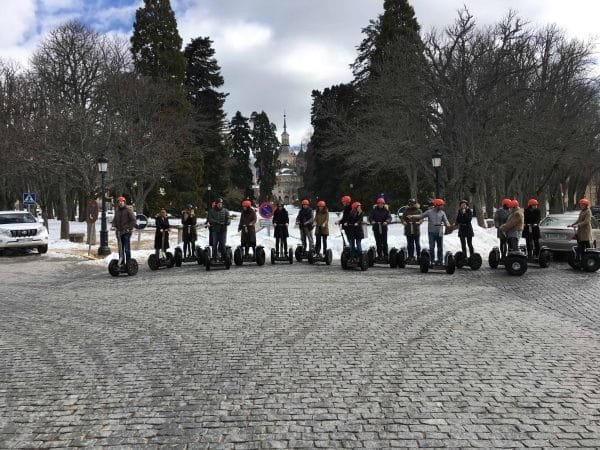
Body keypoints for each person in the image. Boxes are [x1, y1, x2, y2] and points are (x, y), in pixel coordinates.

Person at [405, 198, 450, 264]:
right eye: (441, 205)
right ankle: (432, 260)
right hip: (431, 232)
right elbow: (421, 216)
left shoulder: (442, 213)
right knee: (432, 247)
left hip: (440, 231)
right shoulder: (429, 212)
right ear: (437, 205)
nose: (442, 206)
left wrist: (448, 224)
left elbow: (445, 220)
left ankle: (440, 260)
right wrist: (412, 216)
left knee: (440, 247)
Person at [111, 196, 136, 264]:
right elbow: (114, 220)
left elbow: (133, 220)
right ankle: (122, 263)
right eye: (119, 202)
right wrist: (113, 226)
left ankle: (128, 263)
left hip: (126, 232)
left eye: (122, 201)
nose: (121, 203)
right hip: (119, 233)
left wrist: (128, 228)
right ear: (118, 203)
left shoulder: (128, 210)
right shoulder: (117, 211)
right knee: (120, 249)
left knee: (126, 249)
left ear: (124, 202)